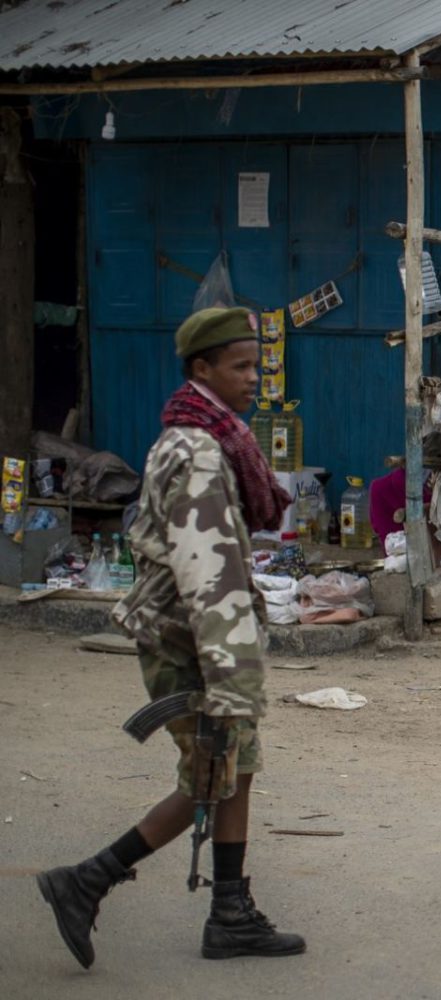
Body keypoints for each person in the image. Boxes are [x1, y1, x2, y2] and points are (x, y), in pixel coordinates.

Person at [36, 307, 305, 969]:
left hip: (198, 639)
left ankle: (231, 912)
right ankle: (88, 878)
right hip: (190, 643)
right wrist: (231, 674)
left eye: (256, 364)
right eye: (240, 366)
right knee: (210, 777)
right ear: (201, 369)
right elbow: (205, 571)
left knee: (235, 770)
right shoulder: (196, 453)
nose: (253, 378)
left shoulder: (211, 440)